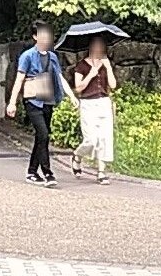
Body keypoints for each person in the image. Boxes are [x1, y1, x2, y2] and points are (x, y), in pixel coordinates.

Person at [6, 20, 78, 186]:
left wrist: (71, 96)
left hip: (47, 98)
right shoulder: (27, 56)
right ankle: (48, 173)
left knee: (41, 137)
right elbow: (19, 79)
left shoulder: (52, 57)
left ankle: (32, 172)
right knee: (43, 134)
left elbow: (59, 77)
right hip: (32, 99)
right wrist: (12, 102)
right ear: (35, 36)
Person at [69, 34, 117, 184]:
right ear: (90, 46)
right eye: (96, 45)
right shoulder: (81, 66)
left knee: (104, 138)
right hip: (88, 104)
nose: (99, 48)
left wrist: (108, 67)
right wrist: (90, 74)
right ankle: (77, 155)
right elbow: (78, 88)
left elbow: (113, 85)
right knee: (91, 139)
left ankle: (101, 172)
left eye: (101, 45)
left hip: (104, 102)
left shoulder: (106, 64)